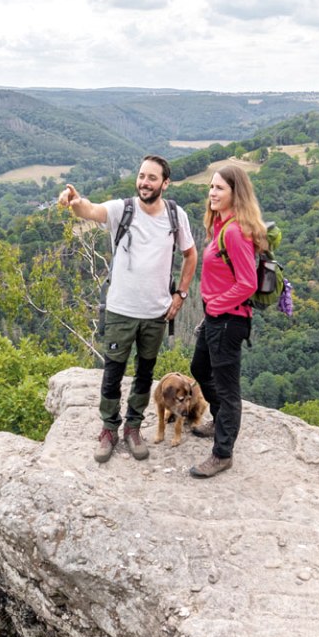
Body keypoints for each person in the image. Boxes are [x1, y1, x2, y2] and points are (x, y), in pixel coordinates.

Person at [58, 156, 197, 463]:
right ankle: (108, 429)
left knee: (145, 373)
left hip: (156, 313)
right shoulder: (123, 209)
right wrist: (74, 200)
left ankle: (133, 428)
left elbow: (190, 255)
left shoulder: (176, 216)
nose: (144, 182)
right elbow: (91, 210)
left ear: (165, 183)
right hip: (121, 310)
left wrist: (181, 295)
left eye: (152, 178)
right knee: (113, 372)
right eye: (141, 176)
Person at [188, 162, 265, 478]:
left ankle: (222, 454)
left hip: (227, 321)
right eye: (211, 187)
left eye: (220, 188)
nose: (212, 193)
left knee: (227, 388)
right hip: (217, 317)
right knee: (199, 369)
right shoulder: (222, 226)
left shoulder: (234, 232)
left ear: (236, 193)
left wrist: (216, 306)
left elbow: (248, 283)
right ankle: (220, 421)